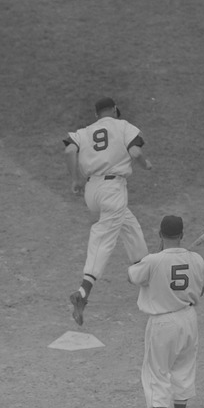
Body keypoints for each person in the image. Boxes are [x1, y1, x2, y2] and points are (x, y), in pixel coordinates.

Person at [63, 96, 153, 326]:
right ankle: (83, 292)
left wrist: (75, 180)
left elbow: (69, 150)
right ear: (114, 110)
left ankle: (147, 273)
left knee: (128, 225)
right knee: (103, 236)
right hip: (113, 189)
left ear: (96, 115)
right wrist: (146, 164)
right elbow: (135, 153)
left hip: (92, 191)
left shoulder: (84, 131)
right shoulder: (124, 126)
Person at [126, 215, 204, 408]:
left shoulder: (153, 261)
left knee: (157, 372)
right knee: (184, 367)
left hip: (163, 322)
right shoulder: (195, 259)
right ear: (182, 235)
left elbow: (131, 277)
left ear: (160, 234)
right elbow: (202, 287)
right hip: (188, 318)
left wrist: (151, 265)